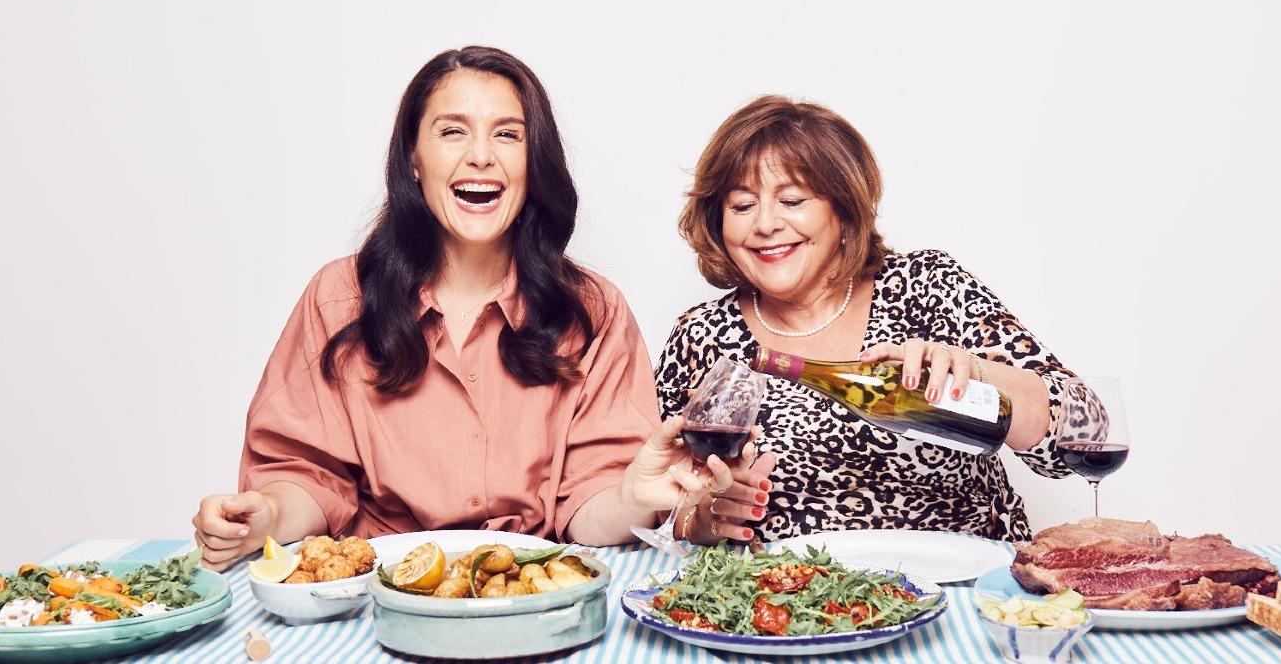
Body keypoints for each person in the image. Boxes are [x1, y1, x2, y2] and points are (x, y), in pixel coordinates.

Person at [191, 46, 691, 570]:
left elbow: (589, 502)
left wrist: (633, 497)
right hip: (378, 592)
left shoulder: (593, 310)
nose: (481, 155)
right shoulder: (338, 297)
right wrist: (266, 514)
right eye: (452, 131)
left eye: (507, 134)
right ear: (413, 157)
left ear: (533, 160)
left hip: (529, 588)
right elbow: (307, 475)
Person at [660, 95, 1076, 544]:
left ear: (843, 208)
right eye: (741, 206)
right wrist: (704, 520)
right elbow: (660, 508)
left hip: (960, 589)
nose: (765, 224)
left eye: (792, 199)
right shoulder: (700, 336)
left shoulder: (926, 287)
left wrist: (973, 371)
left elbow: (1076, 438)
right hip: (784, 600)